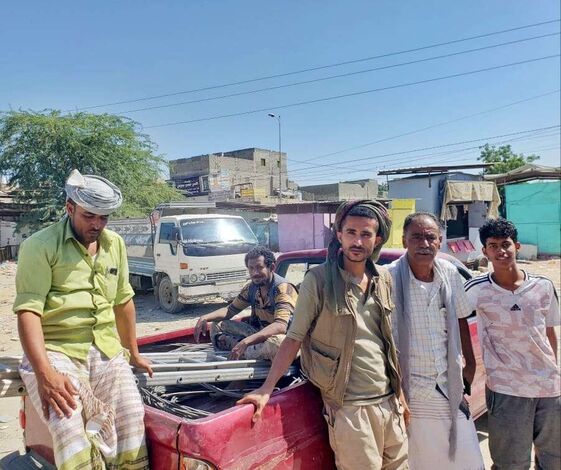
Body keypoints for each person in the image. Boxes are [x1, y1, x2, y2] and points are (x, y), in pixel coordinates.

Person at [238, 200, 408, 470]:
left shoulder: (383, 279)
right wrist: (266, 389)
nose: (357, 241)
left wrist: (399, 395)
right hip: (350, 407)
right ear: (339, 235)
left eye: (366, 234)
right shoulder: (317, 281)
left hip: (388, 401)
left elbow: (386, 340)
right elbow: (293, 337)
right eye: (351, 232)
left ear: (377, 240)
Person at [14, 169, 152, 470]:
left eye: (103, 218)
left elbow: (123, 301)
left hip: (105, 349)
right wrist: (44, 373)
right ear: (69, 207)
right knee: (68, 427)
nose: (97, 225)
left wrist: (134, 352)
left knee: (131, 417)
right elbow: (28, 312)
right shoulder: (39, 246)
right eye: (89, 216)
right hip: (57, 349)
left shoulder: (114, 244)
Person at [387, 212, 484, 470]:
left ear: (440, 240)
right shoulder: (387, 278)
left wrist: (470, 365)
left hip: (448, 384)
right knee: (420, 460)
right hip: (411, 390)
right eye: (416, 237)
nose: (424, 243)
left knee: (467, 458)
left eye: (430, 237)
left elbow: (462, 318)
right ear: (404, 239)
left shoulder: (449, 272)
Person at [465, 218, 560, 470]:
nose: (501, 251)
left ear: (517, 246)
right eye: (493, 245)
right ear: (485, 252)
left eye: (506, 244)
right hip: (506, 391)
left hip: (549, 390)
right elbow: (455, 322)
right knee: (510, 464)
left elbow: (549, 332)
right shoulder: (475, 290)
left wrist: (554, 372)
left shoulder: (543, 286)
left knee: (553, 460)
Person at [194, 246, 297, 360]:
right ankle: (247, 351)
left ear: (271, 267)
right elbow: (230, 310)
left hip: (281, 338)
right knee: (217, 324)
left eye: (259, 268)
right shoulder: (251, 288)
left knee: (278, 344)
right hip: (258, 334)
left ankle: (240, 349)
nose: (255, 273)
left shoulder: (283, 289)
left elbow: (280, 326)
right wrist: (204, 317)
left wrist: (246, 342)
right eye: (251, 268)